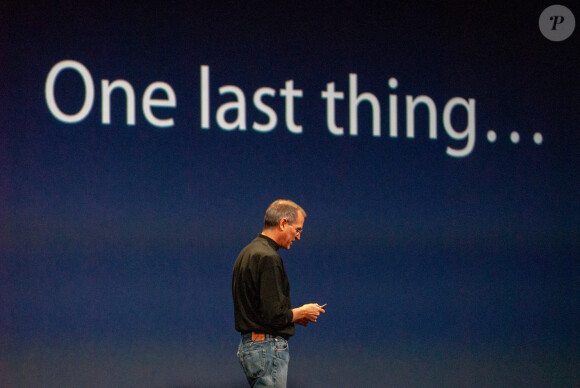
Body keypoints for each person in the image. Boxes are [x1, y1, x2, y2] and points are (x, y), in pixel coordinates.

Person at [232, 199, 325, 387]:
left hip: (250, 346)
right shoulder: (268, 258)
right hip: (266, 347)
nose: (298, 237)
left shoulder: (247, 253)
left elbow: (259, 310)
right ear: (283, 223)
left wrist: (291, 317)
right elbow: (273, 315)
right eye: (297, 230)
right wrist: (301, 312)